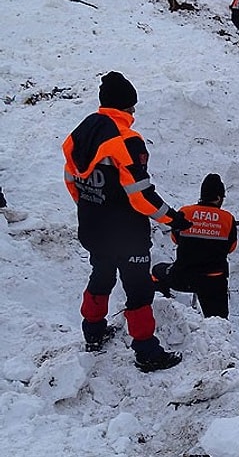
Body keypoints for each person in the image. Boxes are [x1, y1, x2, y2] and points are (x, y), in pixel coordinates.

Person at [62, 71, 192, 372]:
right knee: (139, 289)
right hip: (126, 233)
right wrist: (173, 219)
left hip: (93, 227)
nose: (134, 112)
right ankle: (146, 351)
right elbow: (139, 195)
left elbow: (72, 181)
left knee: (101, 276)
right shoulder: (126, 140)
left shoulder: (79, 134)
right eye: (132, 106)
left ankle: (92, 334)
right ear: (125, 105)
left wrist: (93, 209)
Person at [151, 173, 238, 319]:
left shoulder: (185, 212)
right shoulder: (228, 219)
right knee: (219, 322)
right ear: (218, 197)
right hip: (214, 281)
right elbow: (231, 248)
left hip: (182, 277)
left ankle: (163, 314)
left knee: (157, 271)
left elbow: (175, 238)